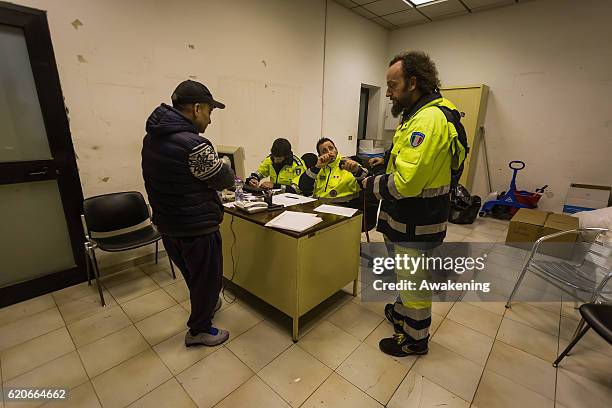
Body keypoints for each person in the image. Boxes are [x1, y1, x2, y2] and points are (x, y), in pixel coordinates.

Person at [362, 52, 466, 357]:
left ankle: (414, 339)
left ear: (414, 82)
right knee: (405, 275)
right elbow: (414, 162)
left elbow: (406, 183)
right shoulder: (424, 111)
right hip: (407, 217)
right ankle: (401, 312)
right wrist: (386, 161)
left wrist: (371, 184)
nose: (390, 93)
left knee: (414, 279)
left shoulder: (429, 119)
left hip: (417, 218)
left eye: (393, 85)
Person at [142, 80, 234, 347]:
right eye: (209, 112)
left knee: (195, 277)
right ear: (196, 109)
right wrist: (224, 165)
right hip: (197, 228)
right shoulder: (195, 145)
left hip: (168, 226)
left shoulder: (151, 139)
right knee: (208, 279)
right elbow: (223, 180)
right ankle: (199, 331)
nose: (210, 119)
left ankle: (206, 305)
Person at [298, 138, 368, 204]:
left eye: (331, 148)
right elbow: (303, 187)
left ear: (336, 150)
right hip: (319, 207)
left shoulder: (348, 164)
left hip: (345, 207)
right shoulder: (318, 168)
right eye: (324, 151)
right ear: (320, 155)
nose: (329, 152)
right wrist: (317, 167)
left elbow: (366, 181)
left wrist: (356, 170)